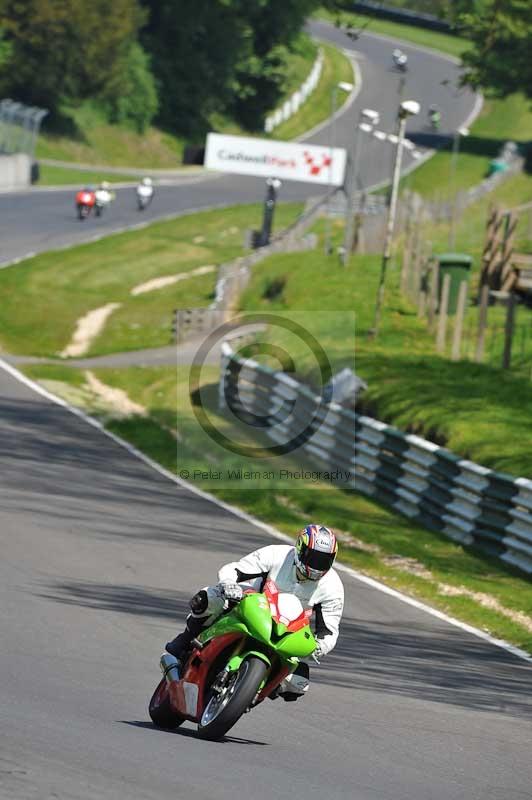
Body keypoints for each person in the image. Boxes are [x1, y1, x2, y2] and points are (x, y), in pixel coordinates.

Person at [165, 525, 344, 702]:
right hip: (253, 607)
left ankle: (254, 691)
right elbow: (236, 569)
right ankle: (185, 640)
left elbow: (329, 630)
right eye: (312, 557)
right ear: (300, 549)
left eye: (323, 560)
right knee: (208, 598)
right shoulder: (277, 554)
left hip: (287, 632)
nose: (316, 565)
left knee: (299, 683)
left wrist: (319, 647)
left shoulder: (332, 587)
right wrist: (229, 584)